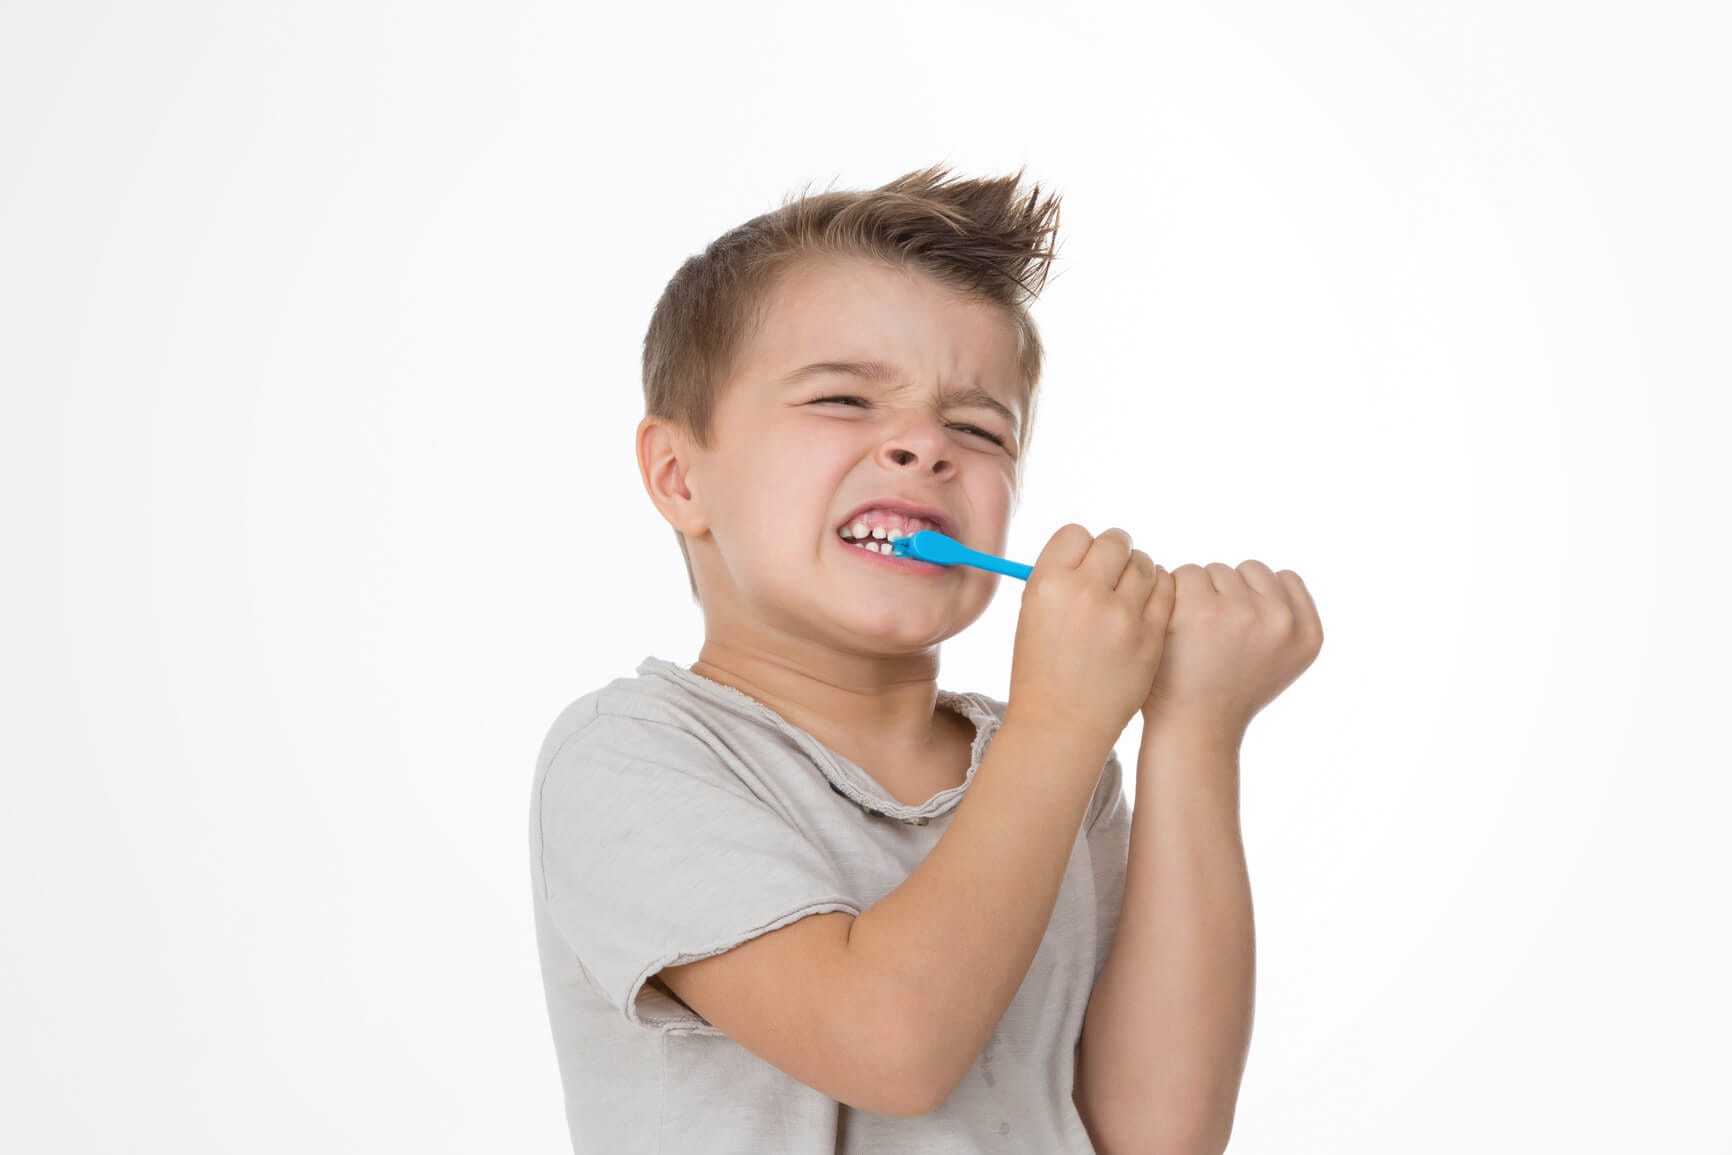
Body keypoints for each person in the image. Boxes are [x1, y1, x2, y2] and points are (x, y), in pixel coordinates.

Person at [527, 163, 1322, 1153]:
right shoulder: (630, 760)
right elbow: (889, 1044)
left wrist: (1195, 733)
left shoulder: (1057, 773)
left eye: (976, 428)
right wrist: (1064, 720)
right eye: (843, 401)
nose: (921, 448)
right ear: (679, 475)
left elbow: (1157, 1139)